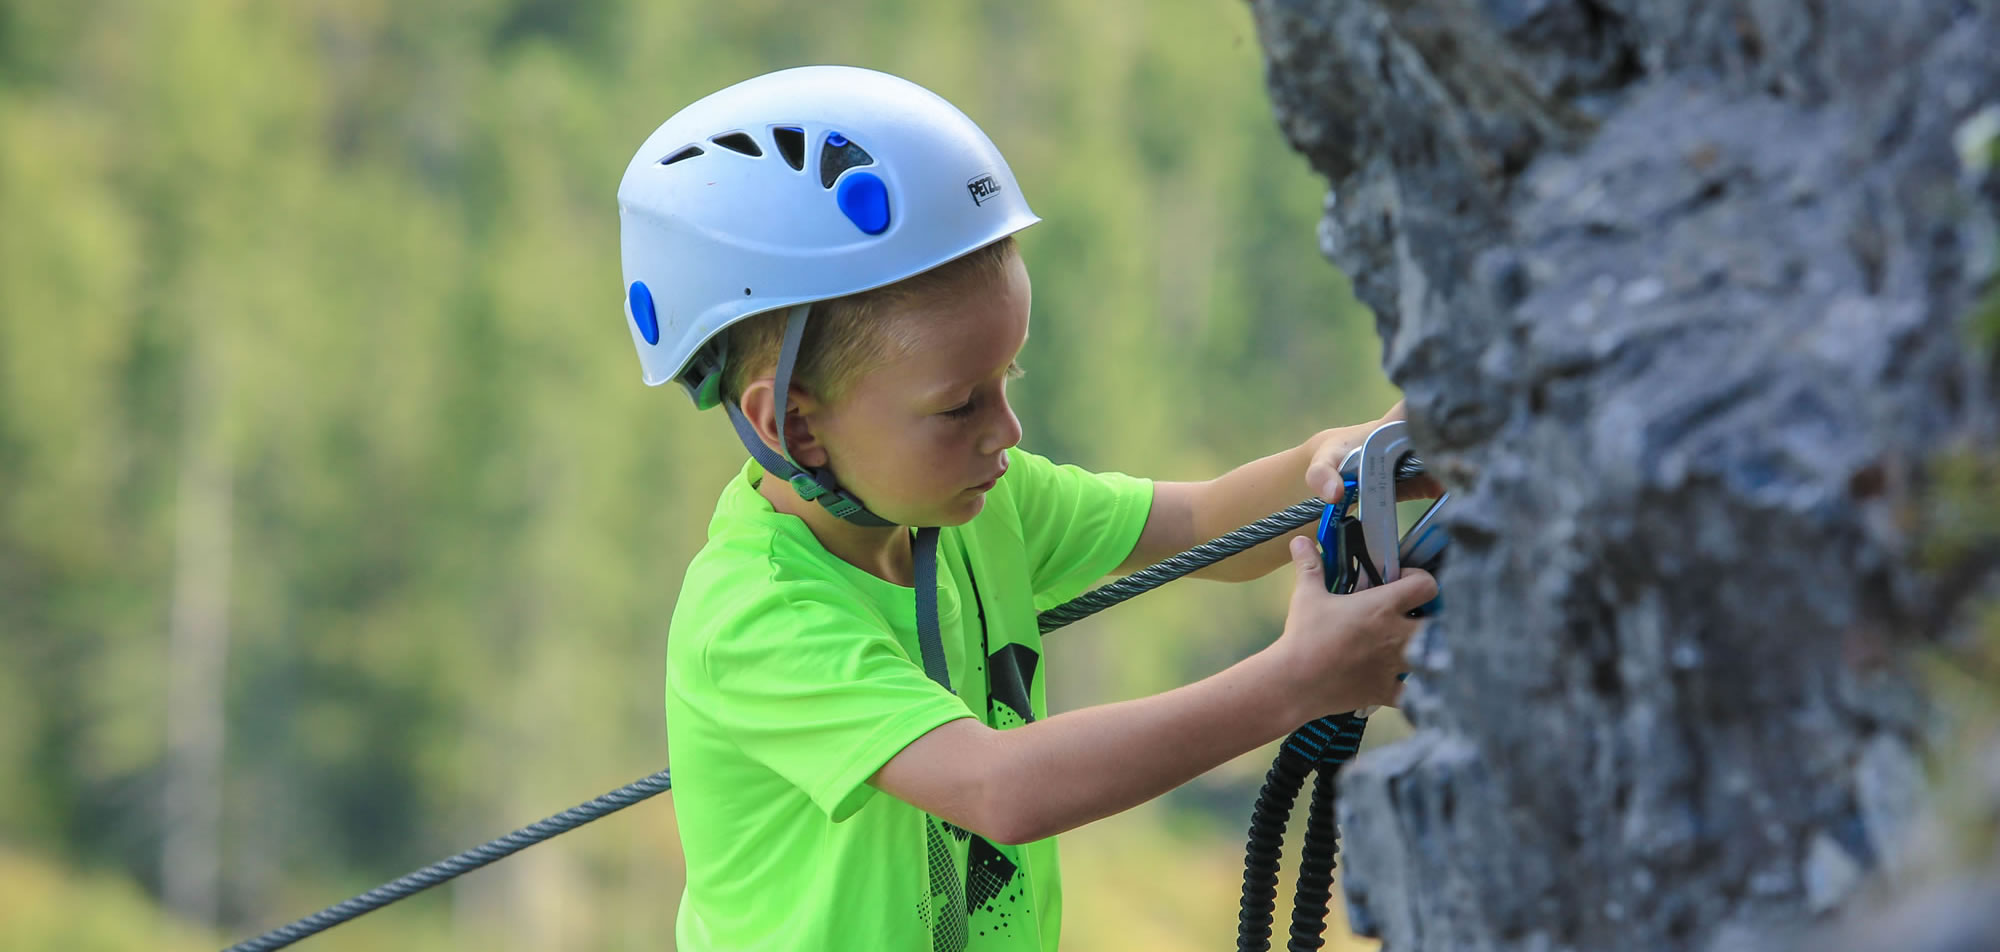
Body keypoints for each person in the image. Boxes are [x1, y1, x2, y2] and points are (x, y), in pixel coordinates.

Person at [617, 65, 1437, 952]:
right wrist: (1293, 682)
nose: (1006, 430)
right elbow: (1003, 791)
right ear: (793, 426)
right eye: (959, 405)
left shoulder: (976, 505)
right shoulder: (756, 616)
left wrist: (1372, 451)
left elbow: (1206, 526)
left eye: (1007, 378)